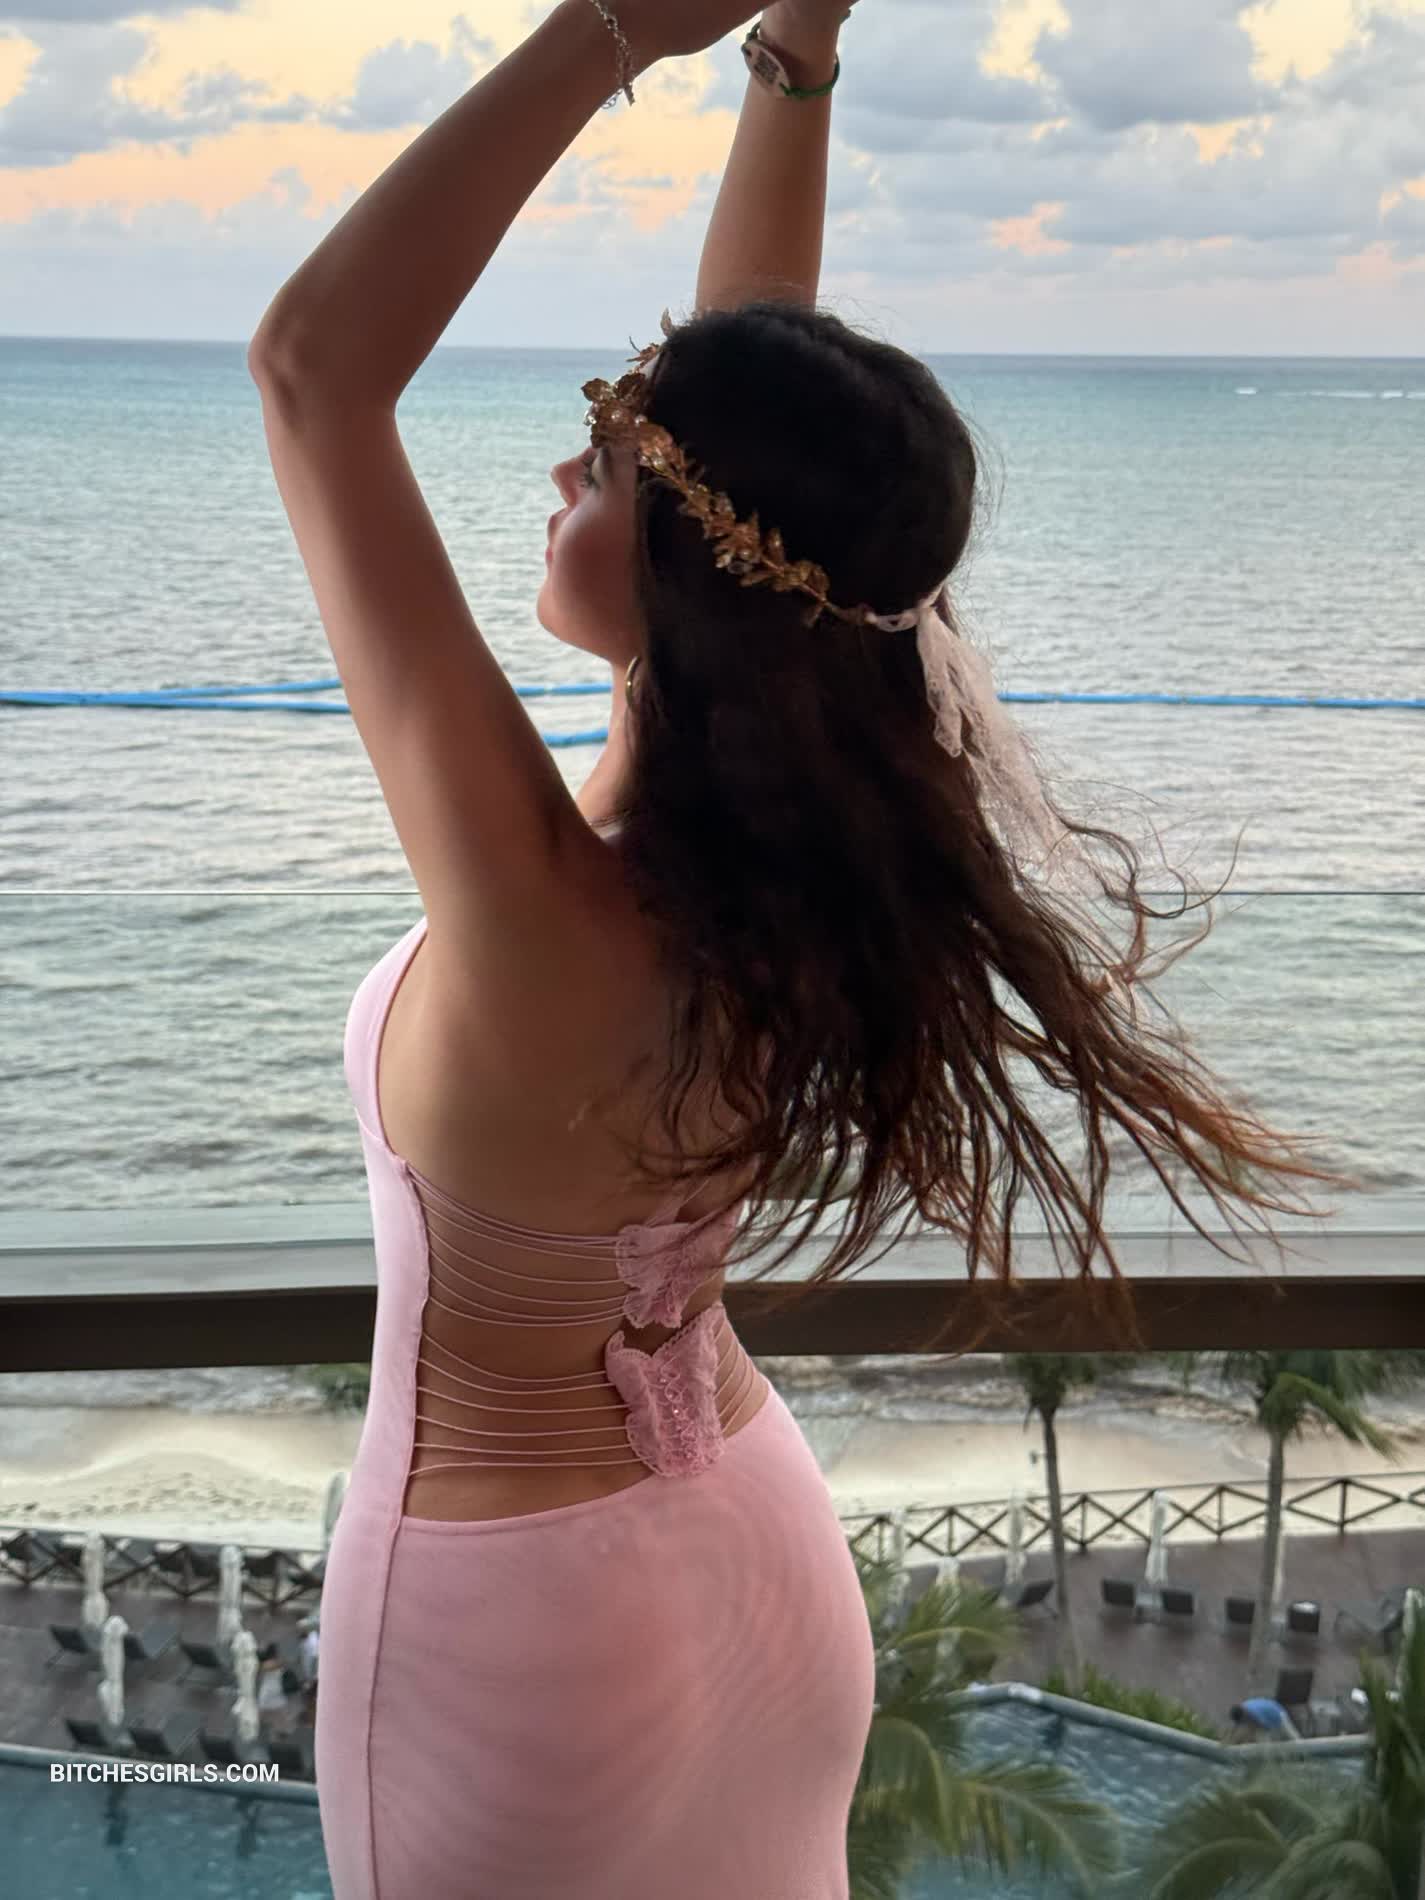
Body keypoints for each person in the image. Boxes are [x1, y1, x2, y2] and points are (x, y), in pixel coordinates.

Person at [250, 2, 1358, 1894]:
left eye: (606, 457)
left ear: (696, 564)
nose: (564, 475)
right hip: (751, 1556)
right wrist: (792, 52)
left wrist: (611, 30)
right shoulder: (782, 864)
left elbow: (311, 371)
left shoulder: (548, 918)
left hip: (514, 1632)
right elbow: (752, 399)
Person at [1230, 1697, 1302, 1741]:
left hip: (1278, 1713)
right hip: (1267, 1716)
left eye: (1243, 1720)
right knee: (1261, 1739)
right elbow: (1237, 1726)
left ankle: (1303, 1749)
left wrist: (1250, 1733)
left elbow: (1264, 1726)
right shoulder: (1242, 1709)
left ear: (1244, 1714)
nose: (1243, 1723)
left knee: (1292, 1736)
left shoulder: (1254, 1713)